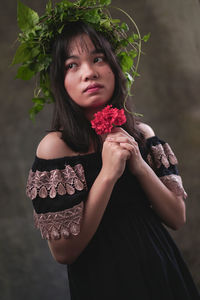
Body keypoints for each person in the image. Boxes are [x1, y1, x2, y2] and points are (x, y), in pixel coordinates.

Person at [16, 1, 199, 299]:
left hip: (162, 270)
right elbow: (64, 252)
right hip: (105, 280)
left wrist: (138, 164)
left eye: (98, 58)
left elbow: (177, 217)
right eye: (72, 65)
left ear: (115, 67)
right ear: (61, 83)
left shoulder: (142, 134)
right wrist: (107, 174)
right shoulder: (55, 147)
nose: (88, 72)